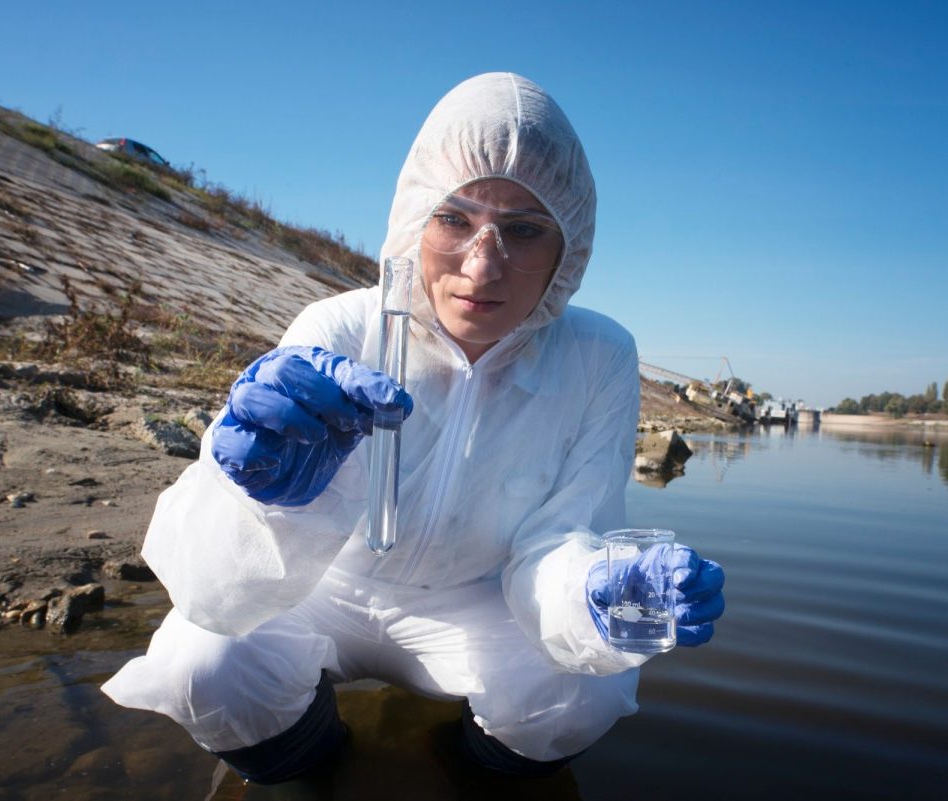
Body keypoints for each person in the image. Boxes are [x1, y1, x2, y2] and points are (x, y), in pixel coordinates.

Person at [102, 72, 724, 784]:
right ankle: (312, 767)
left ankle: (469, 775)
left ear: (569, 249)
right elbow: (213, 586)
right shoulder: (339, 326)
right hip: (326, 591)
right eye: (454, 219)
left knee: (586, 693)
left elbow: (558, 537)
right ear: (412, 220)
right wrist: (258, 493)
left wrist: (594, 590)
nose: (482, 265)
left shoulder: (597, 356)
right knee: (201, 663)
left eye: (523, 229)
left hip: (476, 599)